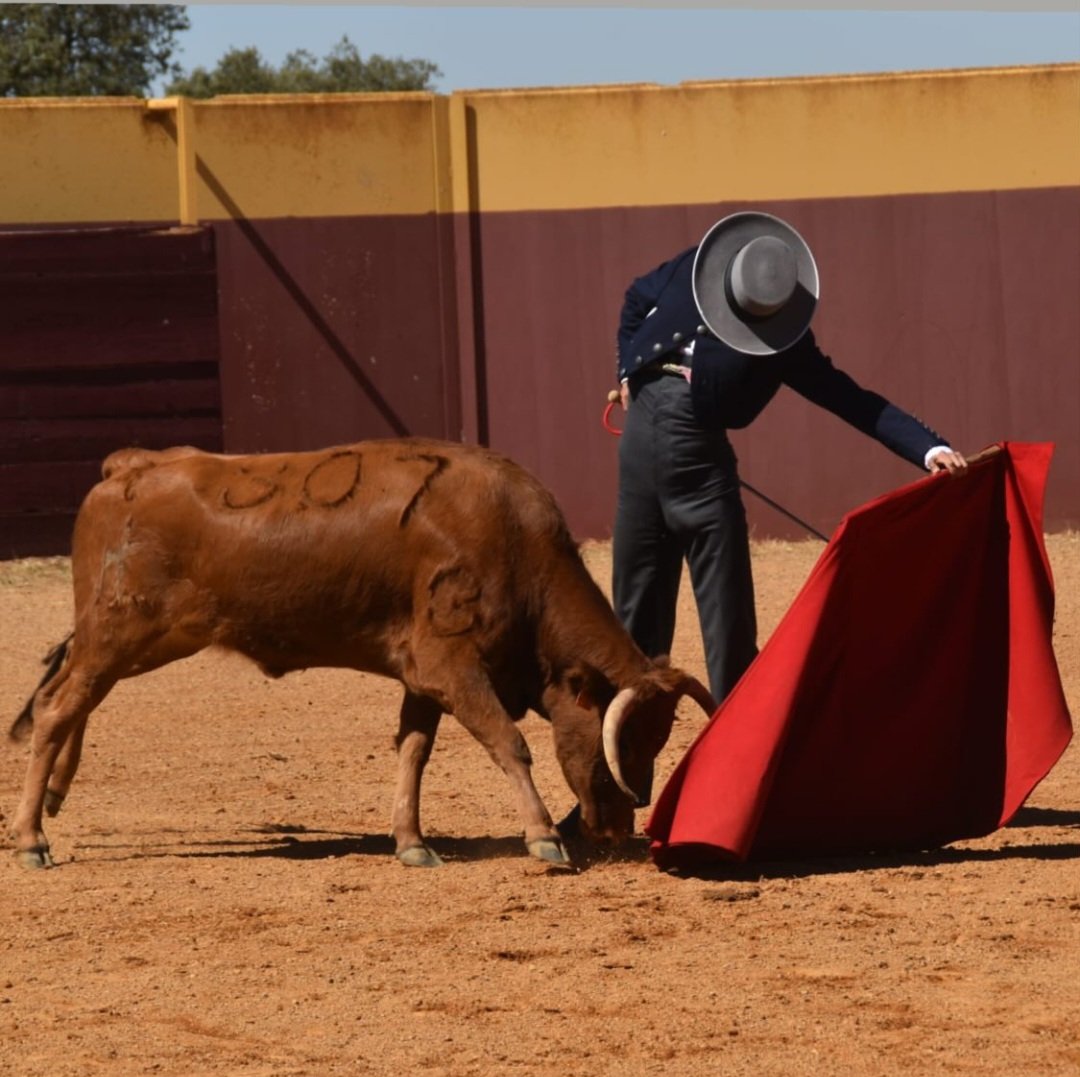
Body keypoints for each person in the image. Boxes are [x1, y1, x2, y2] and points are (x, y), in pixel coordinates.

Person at [612, 211, 968, 705]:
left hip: (640, 442)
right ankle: (737, 749)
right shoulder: (774, 336)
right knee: (726, 620)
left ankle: (619, 764)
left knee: (635, 628)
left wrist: (927, 446)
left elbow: (635, 299)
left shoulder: (699, 265)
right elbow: (850, 398)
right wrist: (626, 369)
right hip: (691, 451)